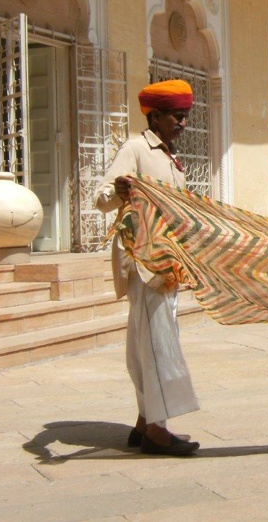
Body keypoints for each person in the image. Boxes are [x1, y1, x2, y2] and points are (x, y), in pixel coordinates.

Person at [94, 79, 201, 456]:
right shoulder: (136, 148)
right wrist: (117, 192)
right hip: (144, 265)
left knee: (148, 344)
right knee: (156, 345)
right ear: (155, 115)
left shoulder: (170, 157)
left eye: (186, 117)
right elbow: (103, 196)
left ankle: (143, 423)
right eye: (177, 116)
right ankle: (157, 431)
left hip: (167, 263)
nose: (183, 123)